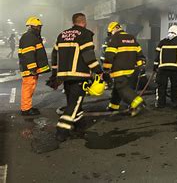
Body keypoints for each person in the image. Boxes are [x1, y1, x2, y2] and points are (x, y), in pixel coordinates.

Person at [50, 13, 103, 142]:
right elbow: (88, 55)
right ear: (84, 22)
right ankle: (61, 131)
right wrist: (99, 71)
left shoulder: (62, 35)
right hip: (79, 76)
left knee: (74, 103)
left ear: (73, 22)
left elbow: (54, 55)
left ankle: (79, 126)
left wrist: (54, 74)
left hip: (64, 76)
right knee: (74, 104)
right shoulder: (85, 34)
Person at [103, 22, 146, 116]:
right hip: (131, 70)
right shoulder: (131, 37)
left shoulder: (114, 39)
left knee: (122, 88)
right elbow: (139, 54)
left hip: (118, 70)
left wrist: (106, 70)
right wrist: (141, 67)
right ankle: (113, 106)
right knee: (117, 88)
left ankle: (138, 103)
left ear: (113, 29)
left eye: (110, 33)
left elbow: (109, 56)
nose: (110, 35)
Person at [18, 17, 50, 116]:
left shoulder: (32, 36)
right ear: (32, 27)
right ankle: (26, 109)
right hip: (29, 70)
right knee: (28, 88)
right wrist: (32, 69)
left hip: (31, 69)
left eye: (40, 27)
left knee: (29, 88)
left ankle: (27, 107)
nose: (39, 29)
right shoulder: (29, 37)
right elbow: (28, 54)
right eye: (38, 27)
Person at [154, 25, 177, 108]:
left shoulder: (162, 42)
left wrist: (155, 66)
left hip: (162, 68)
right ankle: (174, 102)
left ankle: (161, 103)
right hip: (175, 68)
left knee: (161, 85)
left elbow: (156, 55)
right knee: (175, 85)